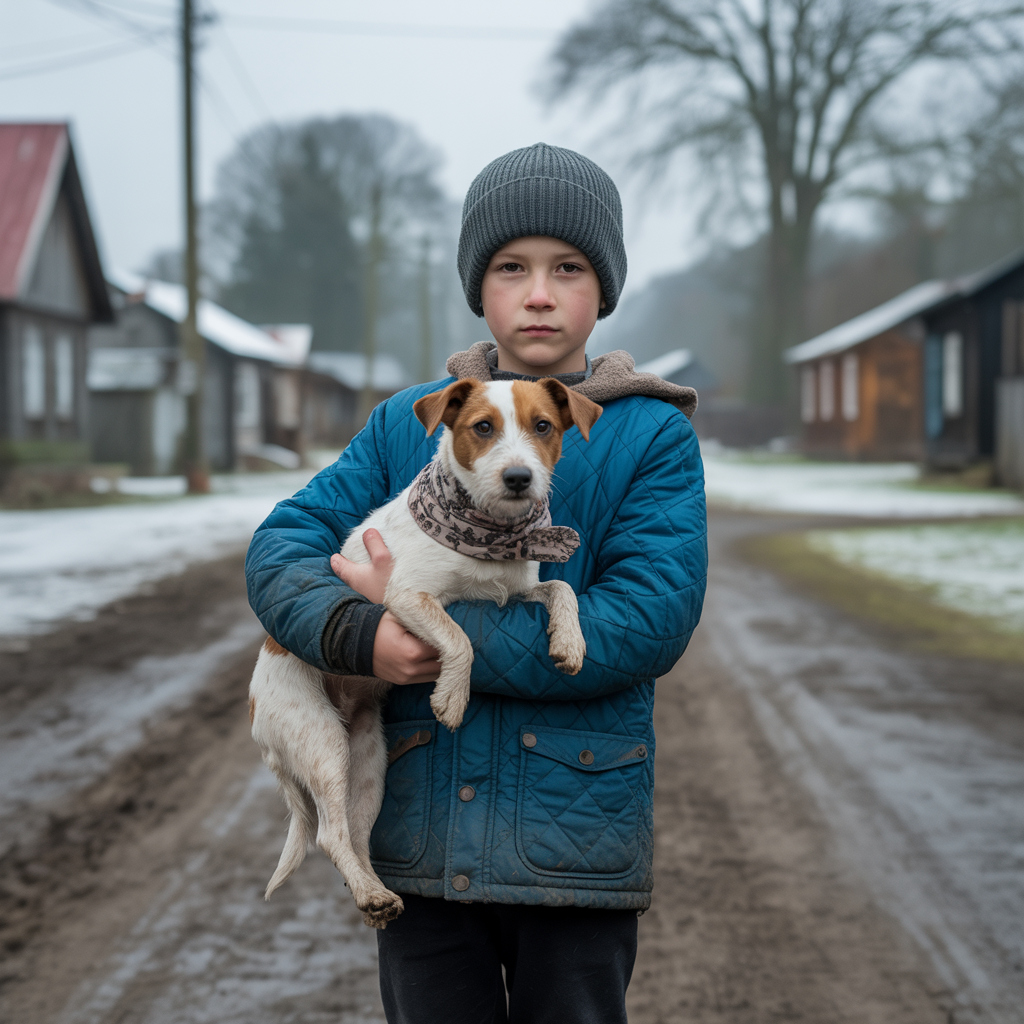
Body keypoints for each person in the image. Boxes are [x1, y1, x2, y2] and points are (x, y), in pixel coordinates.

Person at [245, 143, 707, 1024]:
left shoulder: (648, 435)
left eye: (567, 267)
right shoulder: (406, 420)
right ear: (478, 287)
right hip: (419, 840)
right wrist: (356, 637)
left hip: (577, 843)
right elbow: (282, 545)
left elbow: (647, 622)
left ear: (602, 290)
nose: (539, 292)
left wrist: (420, 638)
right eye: (510, 267)